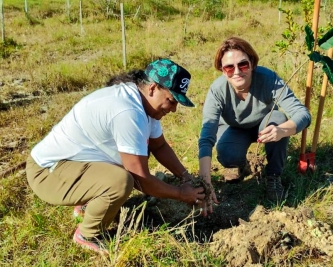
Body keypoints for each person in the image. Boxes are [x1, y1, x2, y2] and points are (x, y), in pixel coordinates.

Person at [26, 58, 205, 254]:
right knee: (122, 181)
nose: (173, 109)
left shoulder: (144, 104)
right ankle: (86, 234)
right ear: (153, 88)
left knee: (135, 155)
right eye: (171, 100)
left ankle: (86, 205)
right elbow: (141, 179)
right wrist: (181, 194)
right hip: (46, 173)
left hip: (72, 164)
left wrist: (185, 176)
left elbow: (159, 146)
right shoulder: (128, 111)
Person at [198, 37, 311, 211]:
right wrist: (205, 181)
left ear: (252, 63)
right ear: (222, 70)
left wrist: (282, 130)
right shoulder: (217, 90)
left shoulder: (268, 79)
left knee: (279, 120)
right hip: (234, 128)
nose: (237, 72)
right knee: (228, 155)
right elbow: (207, 135)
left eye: (243, 64)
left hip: (265, 125)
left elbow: (303, 114)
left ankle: (273, 175)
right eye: (229, 67)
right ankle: (238, 164)